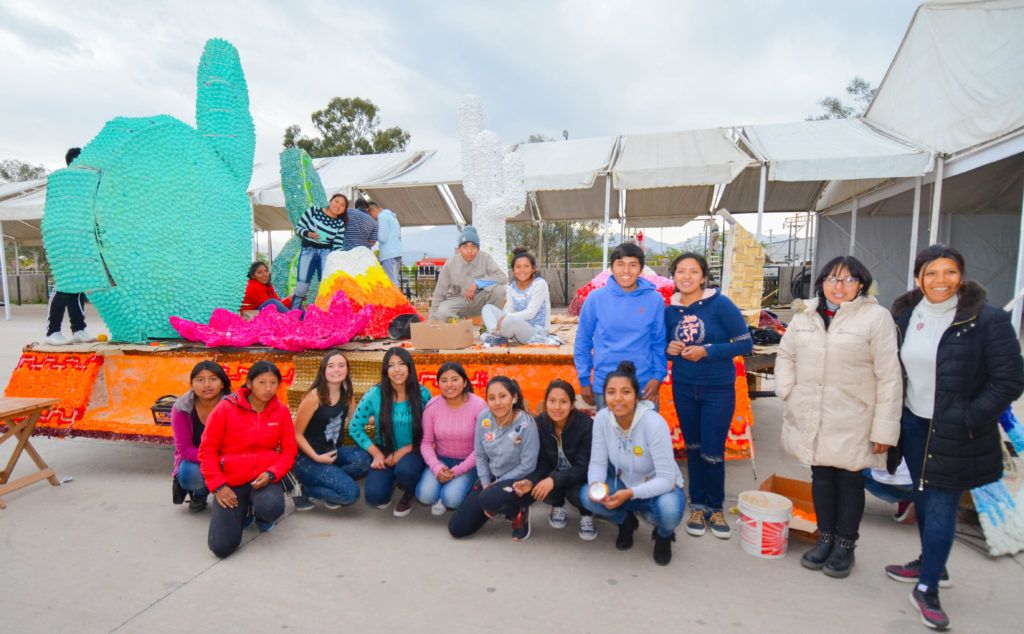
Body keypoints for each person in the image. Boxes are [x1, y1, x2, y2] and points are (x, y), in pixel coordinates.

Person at [885, 244, 1024, 630]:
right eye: (931, 273)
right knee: (924, 496)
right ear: (918, 278)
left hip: (956, 428)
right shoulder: (907, 315)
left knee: (943, 502)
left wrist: (968, 416)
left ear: (961, 276)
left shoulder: (986, 320)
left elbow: (1010, 379)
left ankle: (928, 587)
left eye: (949, 272)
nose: (940, 281)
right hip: (913, 422)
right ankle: (933, 565)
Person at [775, 255, 902, 578]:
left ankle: (845, 544)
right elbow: (786, 353)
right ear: (821, 283)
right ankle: (825, 537)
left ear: (861, 283)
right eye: (832, 279)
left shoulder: (876, 318)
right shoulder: (806, 315)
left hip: (854, 415)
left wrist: (885, 429)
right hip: (813, 410)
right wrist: (787, 389)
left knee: (849, 479)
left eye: (848, 280)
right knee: (822, 476)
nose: (839, 286)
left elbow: (889, 376)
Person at [664, 253, 752, 540]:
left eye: (693, 272)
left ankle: (716, 507)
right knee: (692, 448)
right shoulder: (670, 310)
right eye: (680, 272)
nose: (686, 277)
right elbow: (665, 345)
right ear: (674, 276)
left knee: (712, 451)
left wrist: (708, 351)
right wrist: (671, 349)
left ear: (703, 276)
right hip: (684, 387)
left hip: (717, 388)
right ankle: (697, 505)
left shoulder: (721, 305)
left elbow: (744, 343)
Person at [579, 361, 686, 565]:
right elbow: (598, 462)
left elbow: (666, 478)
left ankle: (663, 535)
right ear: (605, 397)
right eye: (611, 392)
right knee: (587, 496)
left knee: (670, 512)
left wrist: (630, 494)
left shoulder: (653, 423)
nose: (618, 399)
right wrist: (596, 485)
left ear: (637, 397)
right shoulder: (602, 418)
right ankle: (626, 522)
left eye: (625, 392)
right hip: (624, 484)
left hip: (659, 487)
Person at [199, 361, 297, 558]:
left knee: (270, 508)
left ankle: (258, 512)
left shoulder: (281, 411)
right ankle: (245, 511)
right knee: (221, 547)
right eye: (262, 382)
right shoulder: (225, 408)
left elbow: (289, 451)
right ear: (249, 384)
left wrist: (272, 473)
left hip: (263, 478)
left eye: (273, 383)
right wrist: (218, 486)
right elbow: (207, 451)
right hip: (231, 481)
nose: (268, 389)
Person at [574, 242, 667, 410]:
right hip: (606, 386)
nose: (626, 271)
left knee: (646, 436)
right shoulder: (595, 298)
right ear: (611, 267)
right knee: (610, 436)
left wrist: (657, 377)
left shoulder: (654, 299)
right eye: (620, 264)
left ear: (641, 269)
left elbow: (658, 342)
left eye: (633, 265)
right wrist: (584, 380)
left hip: (644, 385)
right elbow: (583, 341)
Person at [448, 376, 540, 541]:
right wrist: (485, 483)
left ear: (514, 397)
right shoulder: (484, 418)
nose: (497, 402)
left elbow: (528, 465)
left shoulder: (526, 424)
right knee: (457, 528)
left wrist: (496, 485)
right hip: (491, 477)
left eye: (503, 396)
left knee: (489, 497)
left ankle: (519, 509)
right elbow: (480, 455)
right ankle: (493, 503)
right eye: (492, 398)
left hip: (518, 479)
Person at [348, 347, 432, 517]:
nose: (397, 370)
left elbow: (431, 432)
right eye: (391, 365)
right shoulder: (374, 394)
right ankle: (391, 479)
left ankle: (410, 492)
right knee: (375, 497)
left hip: (414, 448)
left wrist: (404, 451)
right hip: (384, 449)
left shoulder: (423, 394)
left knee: (406, 472)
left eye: (401, 364)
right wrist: (377, 454)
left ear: (409, 367)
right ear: (386, 370)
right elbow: (354, 427)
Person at [290, 352, 372, 511]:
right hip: (307, 458)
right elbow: (296, 434)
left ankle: (333, 482)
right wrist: (317, 458)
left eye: (341, 366)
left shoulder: (347, 392)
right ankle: (300, 489)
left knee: (364, 460)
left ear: (347, 370)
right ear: (323, 370)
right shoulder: (314, 397)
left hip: (332, 451)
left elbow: (355, 418)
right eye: (331, 366)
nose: (337, 370)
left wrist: (383, 417)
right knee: (350, 494)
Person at [519, 379, 596, 540]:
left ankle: (586, 514)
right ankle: (558, 505)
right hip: (555, 474)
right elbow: (540, 463)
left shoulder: (586, 425)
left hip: (581, 478)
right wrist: (532, 481)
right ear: (545, 402)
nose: (557, 407)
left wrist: (553, 480)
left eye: (563, 402)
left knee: (579, 494)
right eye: (552, 401)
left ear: (572, 404)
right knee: (542, 488)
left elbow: (584, 467)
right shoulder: (539, 424)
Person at [415, 362, 487, 514]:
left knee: (451, 499)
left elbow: (482, 447)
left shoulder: (479, 406)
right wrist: (437, 467)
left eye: (455, 379)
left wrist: (457, 470)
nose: (449, 385)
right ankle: (441, 490)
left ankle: (458, 489)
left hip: (469, 462)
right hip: (443, 460)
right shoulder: (432, 406)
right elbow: (426, 443)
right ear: (438, 384)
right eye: (444, 380)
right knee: (424, 495)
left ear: (465, 381)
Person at [45, 147, 95, 346]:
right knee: (65, 285)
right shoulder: (61, 182)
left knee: (78, 286)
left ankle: (78, 329)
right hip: (63, 239)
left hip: (78, 237)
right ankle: (52, 331)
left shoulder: (84, 184)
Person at [171, 361, 231, 513]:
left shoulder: (234, 405)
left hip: (229, 457)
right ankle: (200, 494)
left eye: (213, 379)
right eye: (200, 380)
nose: (207, 385)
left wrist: (224, 459)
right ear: (192, 384)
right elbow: (185, 449)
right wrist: (212, 459)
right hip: (197, 458)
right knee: (189, 472)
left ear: (222, 384)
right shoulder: (182, 408)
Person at [429, 226, 508, 321]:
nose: (469, 251)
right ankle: (460, 325)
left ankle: (492, 323)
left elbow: (503, 278)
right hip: (458, 301)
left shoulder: (485, 258)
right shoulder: (450, 263)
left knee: (499, 290)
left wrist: (478, 283)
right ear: (459, 248)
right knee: (442, 312)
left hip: (479, 301)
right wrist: (433, 319)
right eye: (465, 246)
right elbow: (439, 293)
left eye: (473, 246)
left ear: (478, 248)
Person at [481, 247, 551, 344]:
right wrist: (505, 317)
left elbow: (530, 313)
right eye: (518, 267)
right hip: (516, 332)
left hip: (536, 333)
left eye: (526, 266)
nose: (522, 270)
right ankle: (496, 336)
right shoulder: (512, 287)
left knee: (512, 320)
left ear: (533, 269)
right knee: (487, 308)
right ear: (513, 270)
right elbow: (508, 309)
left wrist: (506, 317)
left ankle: (494, 336)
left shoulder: (540, 284)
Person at [291, 193, 347, 309]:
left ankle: (324, 314)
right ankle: (293, 314)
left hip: (326, 252)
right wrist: (308, 234)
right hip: (308, 250)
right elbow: (298, 228)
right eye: (336, 201)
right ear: (330, 201)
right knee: (302, 284)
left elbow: (338, 245)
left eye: (342, 205)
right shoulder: (313, 211)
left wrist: (339, 262)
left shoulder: (340, 224)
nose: (338, 206)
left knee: (326, 284)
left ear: (343, 210)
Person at [367, 201, 402, 288]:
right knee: (395, 280)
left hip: (388, 253)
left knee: (391, 283)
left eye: (370, 214)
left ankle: (395, 301)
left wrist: (375, 235)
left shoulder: (382, 216)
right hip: (397, 252)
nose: (371, 218)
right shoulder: (392, 217)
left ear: (373, 210)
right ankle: (398, 300)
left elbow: (383, 237)